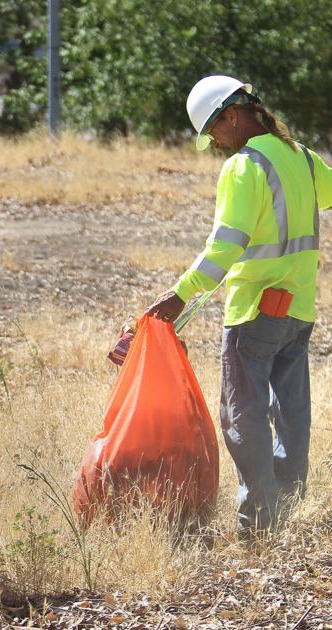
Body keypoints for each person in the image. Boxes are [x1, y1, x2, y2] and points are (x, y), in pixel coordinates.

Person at [146, 75, 332, 535]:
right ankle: (287, 512)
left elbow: (226, 246)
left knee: (241, 415)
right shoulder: (303, 157)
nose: (213, 142)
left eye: (212, 130)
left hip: (254, 312)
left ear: (231, 116)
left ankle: (258, 521)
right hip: (298, 310)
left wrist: (181, 293)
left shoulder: (245, 166)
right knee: (291, 414)